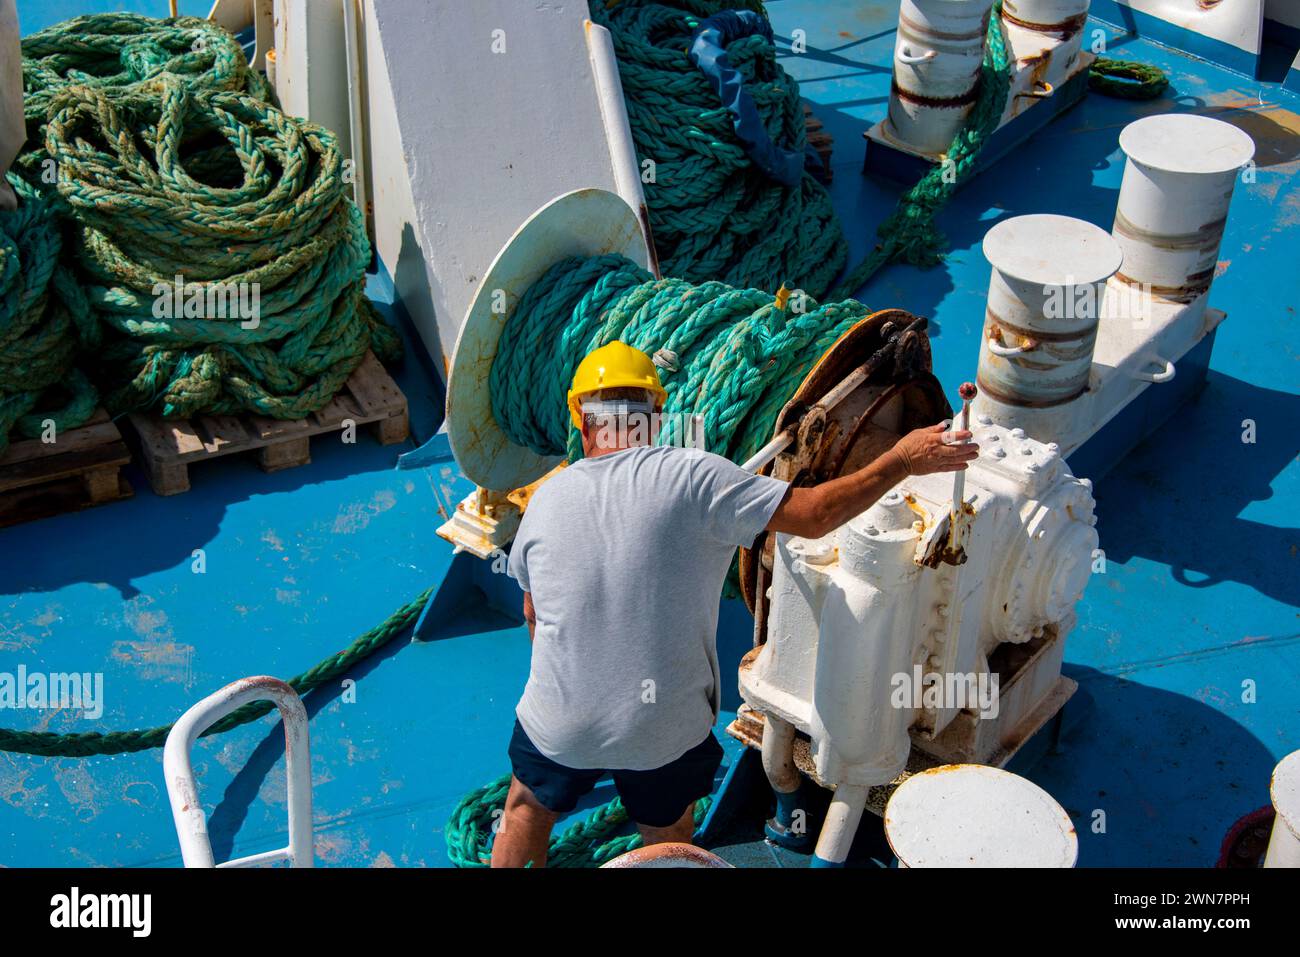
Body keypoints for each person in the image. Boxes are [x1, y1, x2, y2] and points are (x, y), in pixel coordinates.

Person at [491, 341, 978, 867]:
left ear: (581, 422)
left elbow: (534, 616)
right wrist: (901, 459)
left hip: (560, 721)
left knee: (522, 810)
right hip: (661, 729)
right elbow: (813, 516)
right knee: (670, 835)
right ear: (655, 418)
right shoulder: (694, 475)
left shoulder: (545, 501)